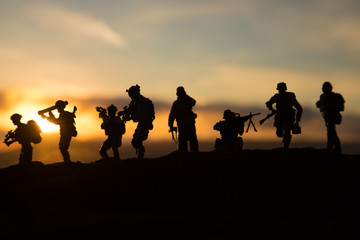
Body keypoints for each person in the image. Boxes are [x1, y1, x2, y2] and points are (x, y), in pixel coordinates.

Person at [121, 85, 155, 158]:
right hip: (141, 123)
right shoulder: (134, 101)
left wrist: (129, 117)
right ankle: (140, 154)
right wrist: (125, 113)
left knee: (138, 140)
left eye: (130, 94)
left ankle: (141, 155)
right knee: (134, 142)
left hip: (145, 123)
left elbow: (139, 115)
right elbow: (131, 111)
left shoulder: (143, 102)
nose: (129, 96)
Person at [266, 82, 302, 149]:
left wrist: (297, 120)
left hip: (289, 116)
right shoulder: (277, 96)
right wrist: (272, 110)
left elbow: (299, 108)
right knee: (279, 134)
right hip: (279, 116)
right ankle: (285, 138)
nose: (280, 91)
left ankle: (286, 146)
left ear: (284, 89)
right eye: (279, 89)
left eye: (281, 89)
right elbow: (268, 103)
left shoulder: (290, 96)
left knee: (287, 132)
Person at [316, 82, 345, 154]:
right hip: (327, 116)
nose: (323, 89)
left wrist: (329, 107)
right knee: (331, 131)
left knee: (331, 131)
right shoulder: (322, 96)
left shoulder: (336, 96)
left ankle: (333, 147)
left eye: (325, 88)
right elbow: (319, 104)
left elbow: (341, 108)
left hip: (333, 116)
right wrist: (320, 105)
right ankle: (335, 147)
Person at [168, 86, 198, 152]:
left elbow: (193, 102)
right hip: (183, 125)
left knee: (192, 142)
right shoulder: (177, 103)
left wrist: (170, 125)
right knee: (184, 143)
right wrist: (170, 125)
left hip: (188, 124)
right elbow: (172, 115)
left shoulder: (186, 101)